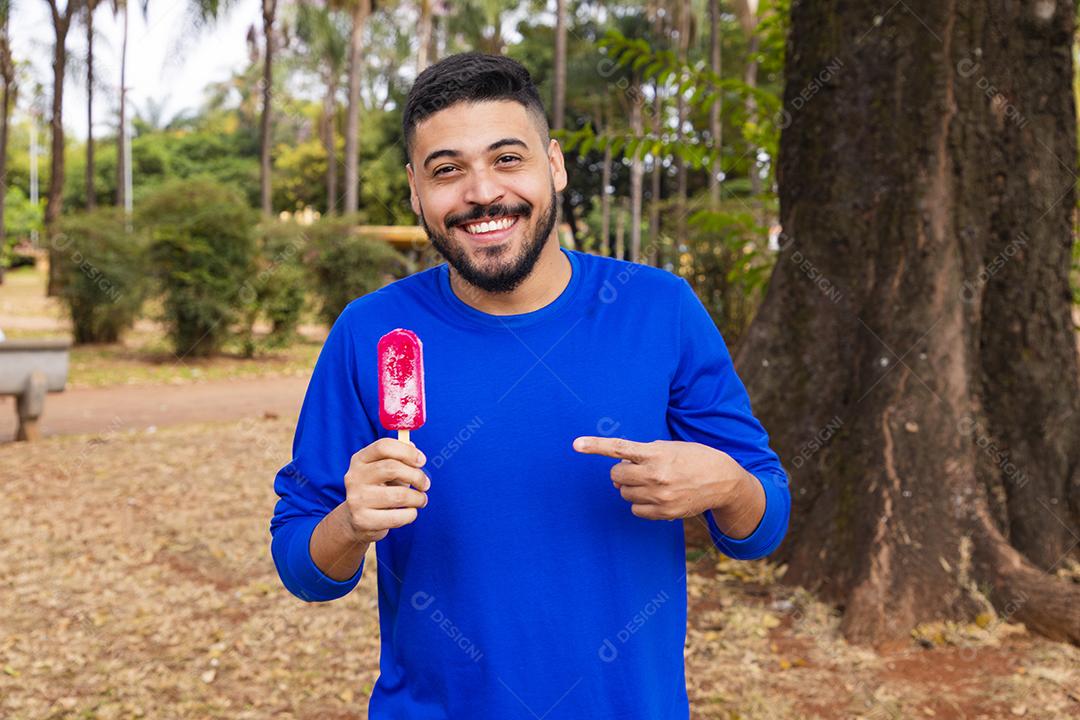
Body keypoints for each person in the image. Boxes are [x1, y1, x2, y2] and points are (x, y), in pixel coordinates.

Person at [269, 51, 791, 720]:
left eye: (507, 159)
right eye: (447, 170)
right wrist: (349, 523)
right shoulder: (370, 331)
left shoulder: (660, 309)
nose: (481, 192)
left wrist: (727, 484)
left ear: (555, 164)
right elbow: (300, 563)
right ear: (414, 190)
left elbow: (763, 522)